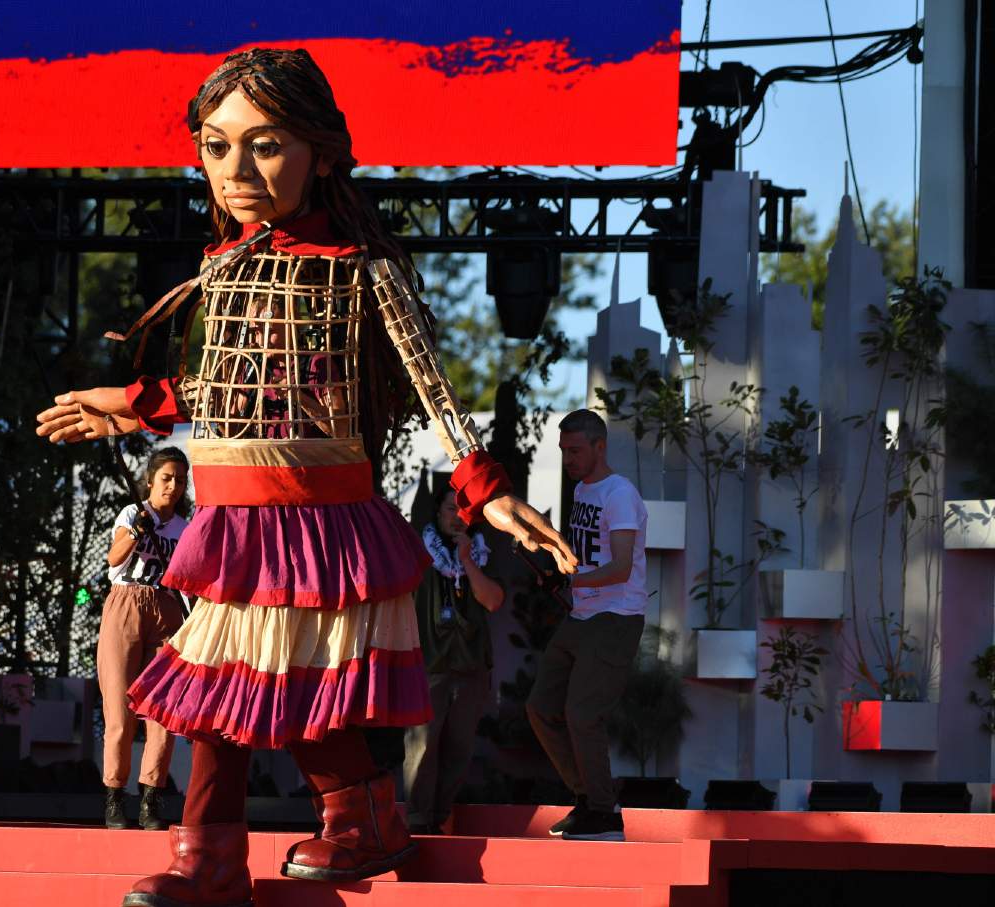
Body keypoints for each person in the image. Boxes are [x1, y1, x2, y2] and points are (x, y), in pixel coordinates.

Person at [36, 48, 576, 907]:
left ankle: (342, 822)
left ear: (320, 151)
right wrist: (131, 403)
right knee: (220, 685)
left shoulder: (366, 268)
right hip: (233, 509)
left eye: (265, 144)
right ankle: (238, 848)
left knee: (274, 681)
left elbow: (432, 385)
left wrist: (486, 487)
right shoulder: (220, 267)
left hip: (317, 514)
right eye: (216, 147)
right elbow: (230, 384)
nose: (236, 169)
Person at [527, 409, 648, 842]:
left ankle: (602, 812)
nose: (569, 459)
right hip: (581, 614)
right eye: (563, 451)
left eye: (576, 450)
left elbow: (618, 567)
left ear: (600, 446)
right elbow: (581, 553)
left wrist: (571, 576)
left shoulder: (620, 495)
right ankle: (591, 800)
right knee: (541, 706)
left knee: (582, 712)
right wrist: (546, 545)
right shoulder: (581, 489)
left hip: (615, 616)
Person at [402, 478, 506, 835]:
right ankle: (418, 821)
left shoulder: (480, 552)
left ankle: (439, 817)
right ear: (437, 513)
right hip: (429, 665)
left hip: (471, 666)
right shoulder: (419, 551)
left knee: (459, 748)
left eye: (464, 511)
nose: (457, 518)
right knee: (422, 745)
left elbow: (492, 600)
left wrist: (466, 562)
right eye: (451, 509)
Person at [98, 447, 191, 830]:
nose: (173, 485)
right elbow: (113, 559)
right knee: (119, 709)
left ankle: (152, 797)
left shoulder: (184, 529)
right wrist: (137, 529)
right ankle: (115, 796)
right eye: (166, 477)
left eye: (180, 480)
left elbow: (188, 579)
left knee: (161, 710)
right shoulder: (132, 514)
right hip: (125, 602)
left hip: (166, 607)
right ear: (151, 480)